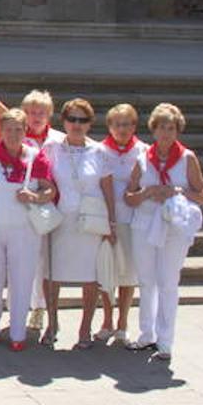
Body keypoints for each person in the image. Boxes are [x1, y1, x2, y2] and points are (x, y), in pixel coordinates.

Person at [0, 108, 56, 350]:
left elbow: (50, 190)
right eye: (8, 129)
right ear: (0, 131)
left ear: (26, 130)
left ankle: (18, 333)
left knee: (22, 278)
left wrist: (35, 197)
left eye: (18, 129)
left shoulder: (36, 157)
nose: (13, 134)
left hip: (24, 230)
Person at [124, 103, 203, 362]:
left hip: (174, 226)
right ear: (154, 129)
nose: (166, 133)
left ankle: (165, 340)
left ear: (177, 131)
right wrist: (148, 193)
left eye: (171, 128)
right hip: (145, 223)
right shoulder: (143, 157)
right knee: (146, 280)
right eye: (162, 128)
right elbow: (128, 196)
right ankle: (146, 333)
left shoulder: (187, 158)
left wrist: (178, 192)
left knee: (168, 282)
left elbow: (202, 195)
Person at [41, 98, 116, 349]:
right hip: (60, 219)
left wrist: (112, 224)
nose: (76, 124)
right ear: (63, 121)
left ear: (90, 124)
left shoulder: (100, 152)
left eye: (82, 120)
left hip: (90, 221)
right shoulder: (52, 147)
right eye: (72, 119)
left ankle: (85, 328)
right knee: (52, 275)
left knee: (90, 276)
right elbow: (42, 179)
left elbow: (108, 189)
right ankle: (52, 323)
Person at [98, 103, 143, 344]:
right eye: (117, 124)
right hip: (107, 219)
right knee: (107, 270)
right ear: (110, 127)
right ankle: (106, 320)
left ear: (134, 126)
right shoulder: (100, 151)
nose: (122, 129)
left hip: (134, 220)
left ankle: (123, 322)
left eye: (127, 124)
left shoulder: (143, 151)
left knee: (128, 273)